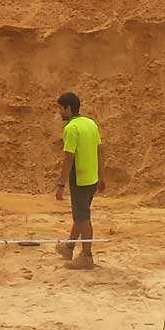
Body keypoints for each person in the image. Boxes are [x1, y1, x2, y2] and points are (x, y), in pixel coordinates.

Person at [52, 92, 102, 270]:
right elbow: (99, 151)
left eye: (60, 108)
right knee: (80, 215)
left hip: (79, 179)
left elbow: (69, 158)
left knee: (83, 217)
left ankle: (87, 256)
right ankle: (69, 247)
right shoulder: (91, 124)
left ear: (68, 108)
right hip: (92, 178)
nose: (59, 112)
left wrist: (61, 184)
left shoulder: (71, 128)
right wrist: (101, 176)